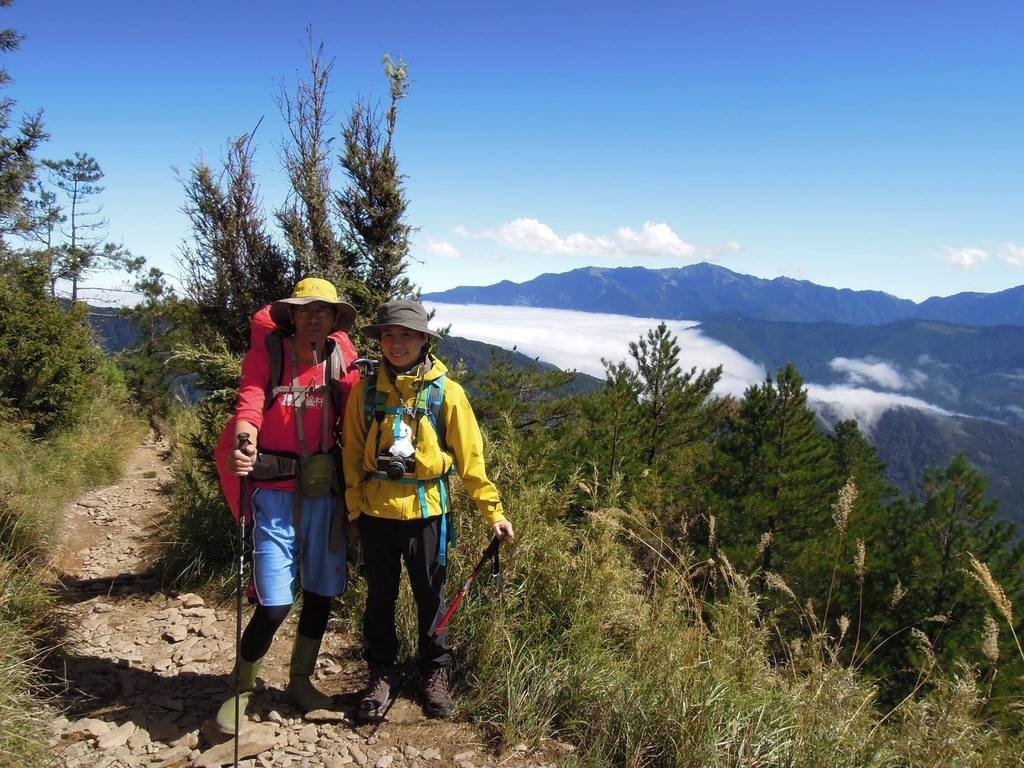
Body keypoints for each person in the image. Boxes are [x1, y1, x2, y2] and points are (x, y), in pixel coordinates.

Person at [342, 299, 514, 721]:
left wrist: (494, 513)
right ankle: (382, 673)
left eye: (405, 335)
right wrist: (353, 513)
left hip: (428, 512)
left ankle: (434, 674)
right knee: (379, 598)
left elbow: (472, 462)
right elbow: (350, 458)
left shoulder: (446, 394)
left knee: (431, 598)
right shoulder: (365, 393)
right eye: (388, 335)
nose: (395, 343)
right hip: (376, 513)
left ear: (423, 340)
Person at [214, 277, 359, 735]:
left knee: (321, 592)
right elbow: (250, 402)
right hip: (274, 492)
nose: (313, 317)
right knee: (275, 603)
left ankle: (300, 681)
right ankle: (241, 688)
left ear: (334, 320)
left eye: (323, 311)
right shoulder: (269, 354)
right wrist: (244, 442)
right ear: (291, 315)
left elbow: (356, 405)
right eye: (304, 310)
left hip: (324, 493)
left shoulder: (340, 356)